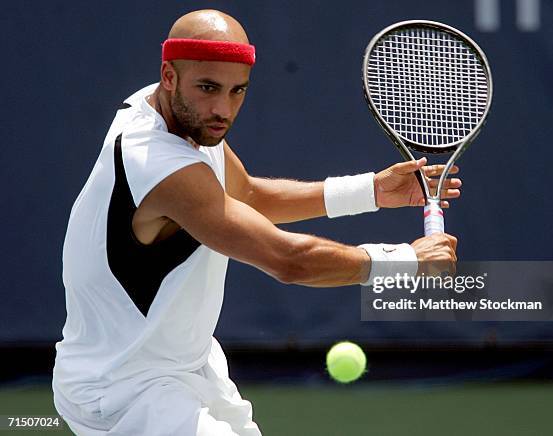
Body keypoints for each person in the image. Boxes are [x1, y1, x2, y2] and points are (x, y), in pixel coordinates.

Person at [52, 9, 460, 436]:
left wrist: (369, 191)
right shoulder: (157, 162)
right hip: (123, 390)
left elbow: (245, 194)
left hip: (186, 366)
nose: (222, 110)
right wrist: (404, 260)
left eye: (237, 91)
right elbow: (289, 261)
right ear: (169, 75)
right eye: (208, 88)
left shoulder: (167, 110)